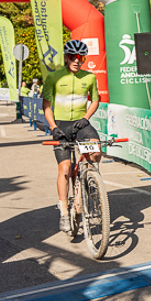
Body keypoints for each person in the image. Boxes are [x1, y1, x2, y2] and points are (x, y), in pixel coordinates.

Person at [43, 39, 101, 233]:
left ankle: (91, 180)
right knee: (65, 168)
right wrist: (53, 127)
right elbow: (46, 106)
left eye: (81, 58)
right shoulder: (54, 77)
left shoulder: (89, 77)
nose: (77, 61)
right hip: (61, 126)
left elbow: (95, 100)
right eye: (73, 57)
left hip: (81, 124)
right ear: (67, 58)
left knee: (96, 150)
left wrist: (86, 117)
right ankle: (63, 212)